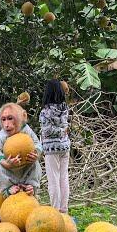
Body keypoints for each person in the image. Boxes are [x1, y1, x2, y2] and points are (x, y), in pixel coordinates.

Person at [0, 102, 42, 197]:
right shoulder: (3, 134)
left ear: (22, 118)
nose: (6, 124)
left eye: (10, 118)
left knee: (36, 165)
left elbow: (37, 144)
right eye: (3, 120)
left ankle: (31, 187)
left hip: (25, 168)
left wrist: (36, 154)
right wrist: (4, 162)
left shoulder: (26, 130)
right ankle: (6, 190)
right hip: (10, 170)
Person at [39, 79, 71, 213]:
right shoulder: (64, 108)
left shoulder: (45, 111)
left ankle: (55, 211)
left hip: (52, 149)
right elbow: (65, 126)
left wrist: (59, 131)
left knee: (53, 180)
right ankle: (64, 210)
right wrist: (63, 131)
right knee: (63, 178)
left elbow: (47, 130)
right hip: (65, 146)